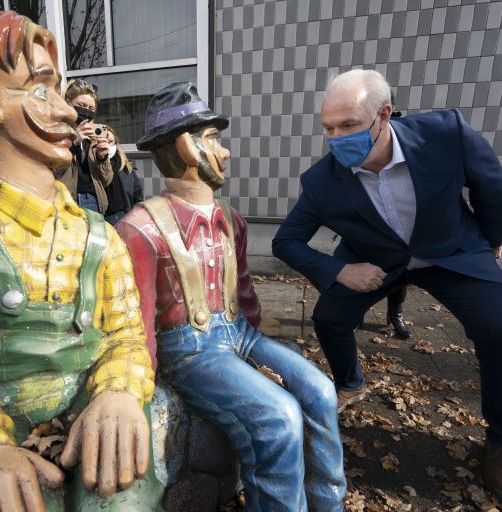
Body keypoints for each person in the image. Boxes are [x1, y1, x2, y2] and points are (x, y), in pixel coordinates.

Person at [0, 10, 161, 511]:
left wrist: (120, 391)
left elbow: (127, 337)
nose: (66, 112)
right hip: (3, 437)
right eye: (40, 90)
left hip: (90, 422)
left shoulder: (99, 235)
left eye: (59, 92)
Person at [272, 69, 502, 503]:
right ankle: (351, 382)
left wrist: (492, 241)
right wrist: (340, 272)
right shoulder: (321, 181)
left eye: (349, 126)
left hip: (450, 251)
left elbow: (490, 185)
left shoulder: (445, 134)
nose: (336, 138)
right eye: (328, 128)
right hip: (373, 260)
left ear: (384, 114)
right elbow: (286, 241)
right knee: (328, 317)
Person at [117, 82, 346, 512]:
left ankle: (327, 503)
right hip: (189, 352)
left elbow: (243, 291)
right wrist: (139, 387)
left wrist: (256, 349)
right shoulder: (140, 229)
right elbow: (138, 323)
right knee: (279, 419)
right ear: (186, 147)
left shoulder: (231, 220)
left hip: (238, 334)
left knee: (320, 392)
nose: (224, 153)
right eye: (213, 141)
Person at [55, 79, 115, 214]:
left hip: (95, 202)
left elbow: (107, 180)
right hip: (68, 202)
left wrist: (102, 158)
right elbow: (53, 172)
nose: (86, 111)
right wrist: (73, 143)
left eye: (91, 109)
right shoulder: (56, 134)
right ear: (68, 103)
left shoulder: (94, 138)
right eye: (81, 105)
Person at [99, 125, 144, 225]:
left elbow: (138, 197)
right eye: (103, 142)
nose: (107, 146)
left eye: (110, 141)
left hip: (128, 222)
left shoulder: (126, 169)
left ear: (116, 144)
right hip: (104, 225)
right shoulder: (94, 169)